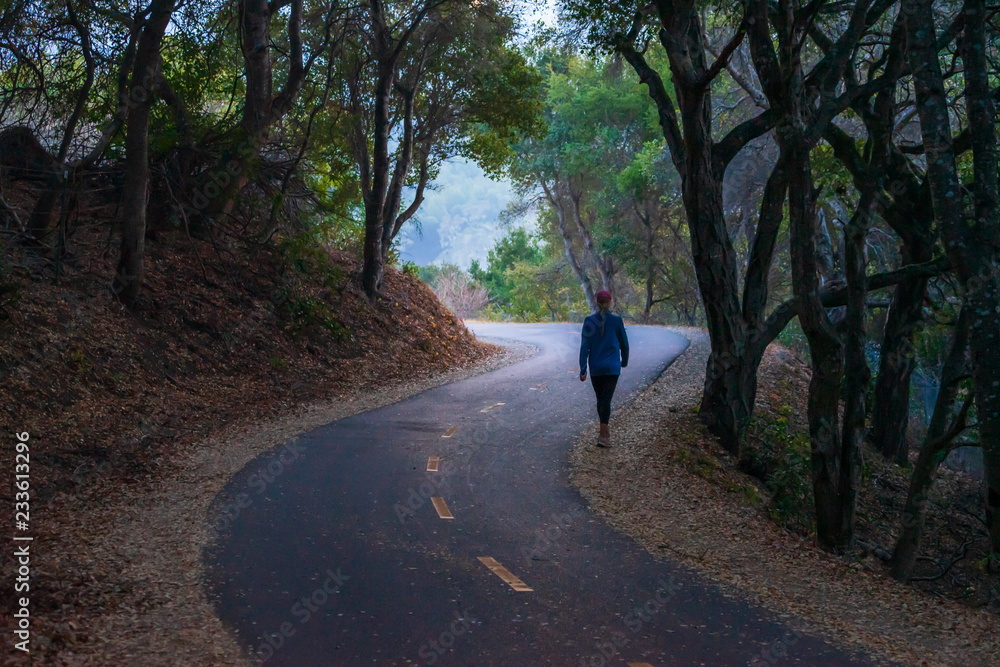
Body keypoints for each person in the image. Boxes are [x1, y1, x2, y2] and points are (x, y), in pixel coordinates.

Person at [579, 290, 629, 447]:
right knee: (604, 399)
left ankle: (604, 432)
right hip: (612, 368)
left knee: (602, 399)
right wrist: (625, 361)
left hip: (596, 368)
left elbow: (584, 347)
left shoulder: (589, 321)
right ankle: (603, 435)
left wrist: (583, 368)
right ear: (610, 303)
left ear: (596, 303)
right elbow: (624, 344)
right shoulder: (616, 321)